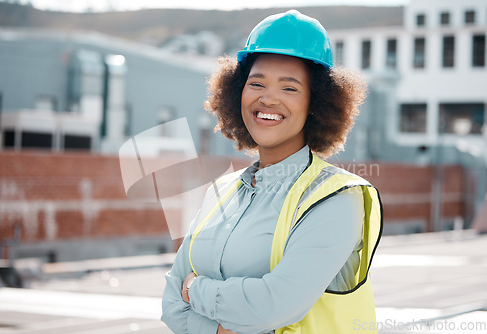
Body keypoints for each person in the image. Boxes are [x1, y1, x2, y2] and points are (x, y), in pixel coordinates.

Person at [161, 9, 382, 334]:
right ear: (237, 92)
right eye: (257, 83)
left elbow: (273, 306)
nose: (268, 98)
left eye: (290, 88)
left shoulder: (337, 198)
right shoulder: (219, 193)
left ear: (317, 104)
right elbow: (169, 303)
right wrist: (221, 329)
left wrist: (196, 290)